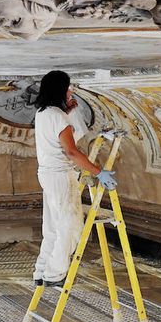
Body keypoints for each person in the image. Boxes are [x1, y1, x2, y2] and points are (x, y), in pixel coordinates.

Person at [31, 70, 117, 287]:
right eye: (68, 88)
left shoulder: (43, 112)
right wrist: (98, 172)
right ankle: (55, 274)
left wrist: (68, 112)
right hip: (61, 176)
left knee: (52, 225)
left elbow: (60, 136)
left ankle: (41, 271)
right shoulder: (58, 117)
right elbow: (71, 152)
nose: (70, 92)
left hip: (47, 174)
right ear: (60, 89)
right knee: (70, 225)